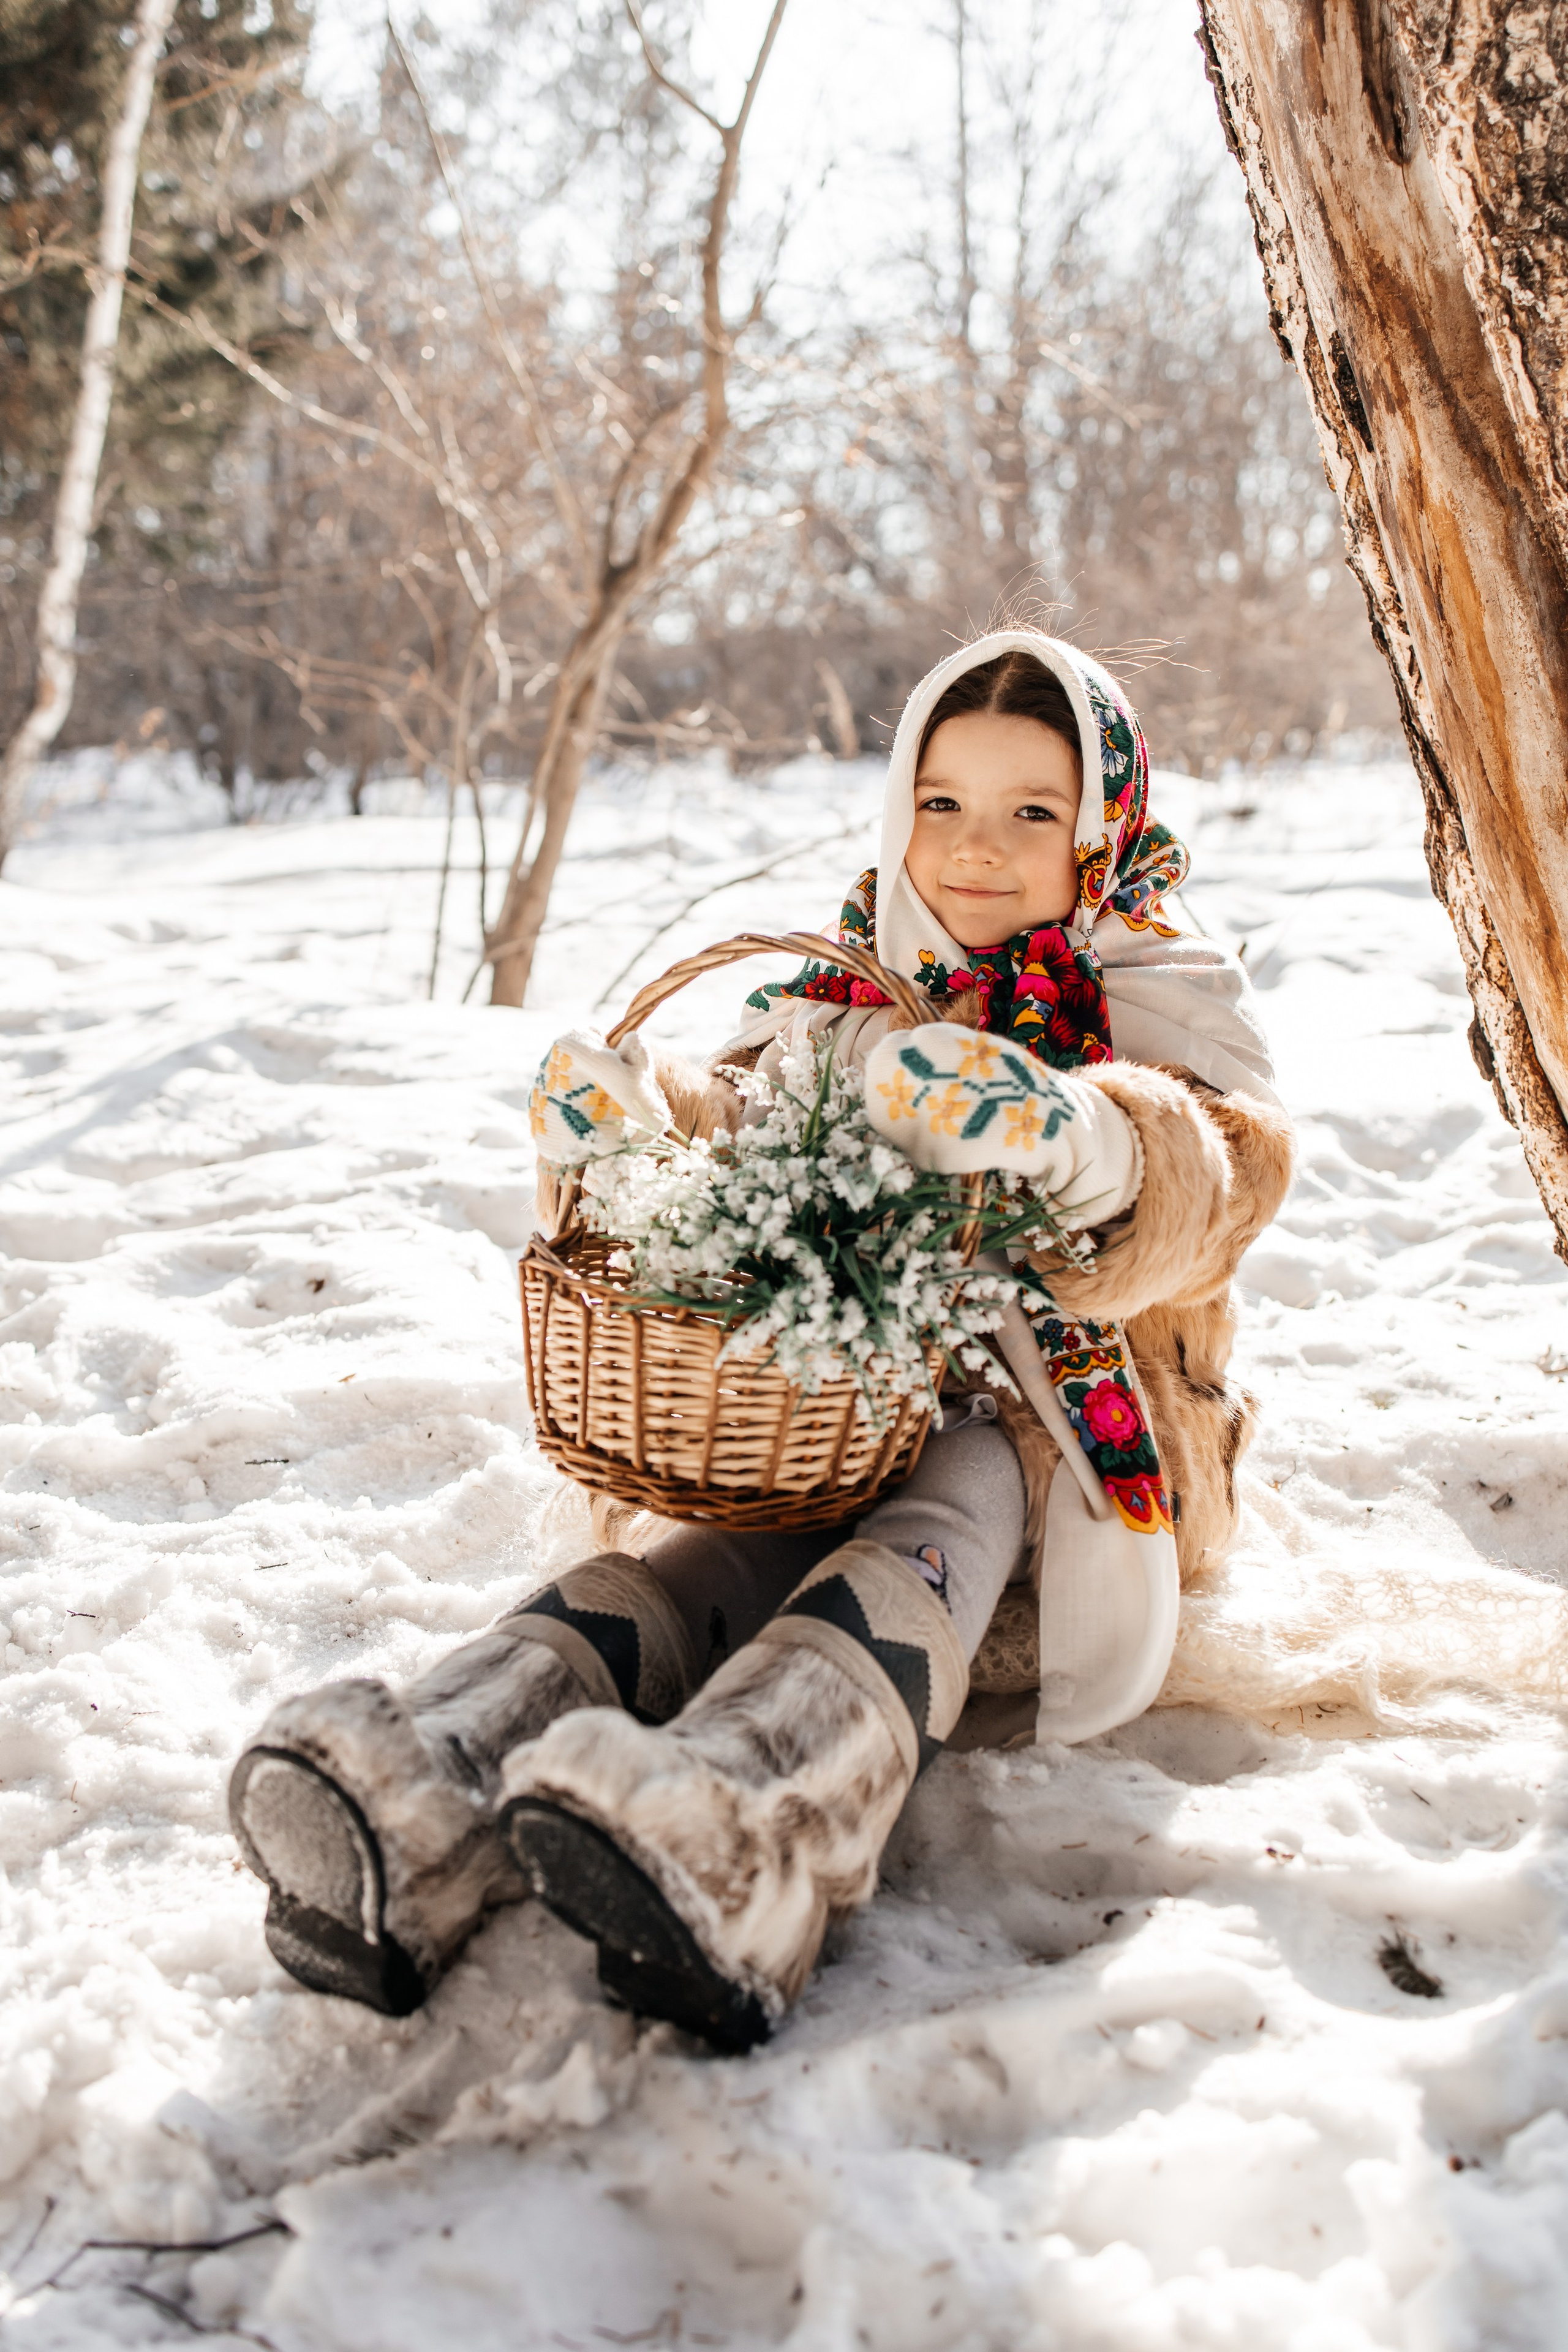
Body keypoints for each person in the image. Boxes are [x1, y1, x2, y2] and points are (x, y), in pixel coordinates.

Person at [228, 628, 1294, 2052]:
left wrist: (1081, 1131)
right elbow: (753, 1109)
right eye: (941, 804)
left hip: (1061, 1450)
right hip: (835, 1410)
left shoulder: (1155, 984)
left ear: (1100, 828)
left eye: (1030, 813)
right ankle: (439, 1773)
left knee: (953, 1490)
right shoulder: (857, 978)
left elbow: (1226, 1173)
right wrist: (643, 1117)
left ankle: (757, 1824)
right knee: (711, 1552)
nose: (974, 850)